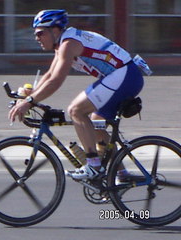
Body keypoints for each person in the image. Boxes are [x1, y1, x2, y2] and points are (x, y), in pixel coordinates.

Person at [8, 9, 145, 180]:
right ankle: (121, 173)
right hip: (123, 76)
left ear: (55, 30)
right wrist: (31, 95)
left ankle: (94, 166)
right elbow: (49, 75)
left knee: (76, 110)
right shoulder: (62, 45)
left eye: (40, 33)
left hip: (125, 75)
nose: (37, 38)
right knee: (96, 123)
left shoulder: (69, 44)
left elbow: (56, 81)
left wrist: (29, 102)